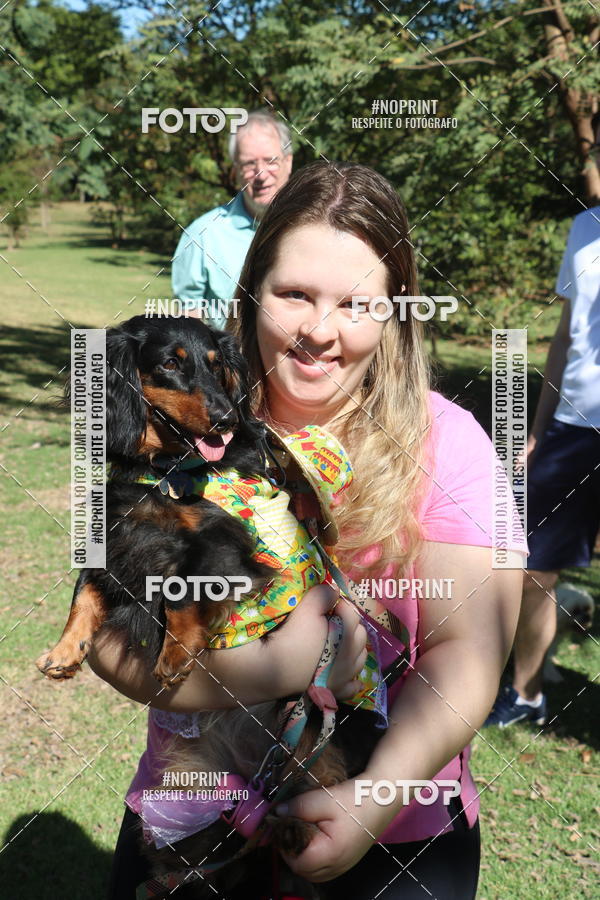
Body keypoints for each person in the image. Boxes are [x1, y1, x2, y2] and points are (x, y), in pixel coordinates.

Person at [89, 161, 526, 899]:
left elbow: (468, 655)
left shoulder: (451, 443)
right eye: (294, 295)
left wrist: (378, 794)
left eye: (356, 304)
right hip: (192, 818)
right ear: (253, 288)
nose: (320, 331)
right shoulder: (169, 425)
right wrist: (283, 666)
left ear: (396, 312)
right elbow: (102, 633)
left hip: (394, 827)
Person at [485, 113, 600, 728]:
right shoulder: (585, 229)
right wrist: (536, 422)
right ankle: (526, 696)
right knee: (533, 568)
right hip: (576, 427)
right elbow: (564, 336)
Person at [171, 109, 293, 329]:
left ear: (288, 162)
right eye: (249, 164)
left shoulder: (315, 227)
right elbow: (188, 328)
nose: (261, 174)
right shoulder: (201, 236)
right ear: (236, 170)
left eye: (271, 161)